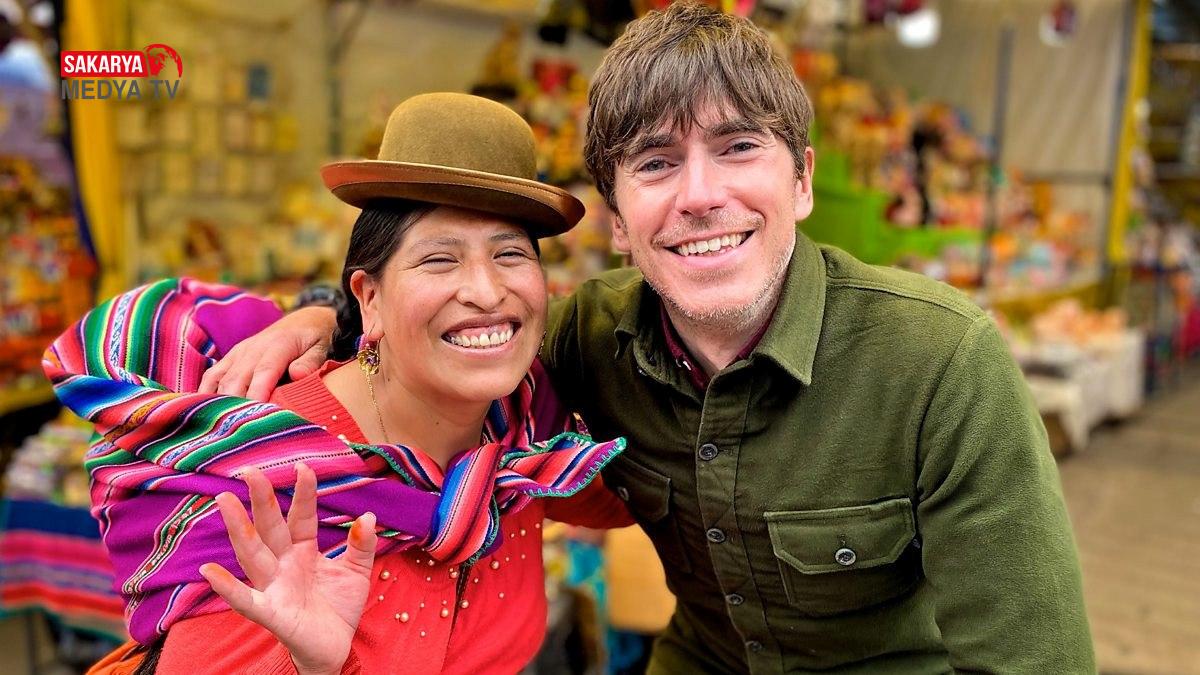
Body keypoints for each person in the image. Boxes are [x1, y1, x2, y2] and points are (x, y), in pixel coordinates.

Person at [131, 3, 1096, 673]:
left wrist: (342, 309)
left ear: (802, 180)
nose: (701, 194)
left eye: (738, 146)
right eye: (656, 162)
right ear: (619, 223)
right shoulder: (572, 345)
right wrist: (320, 315)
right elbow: (437, 332)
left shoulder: (938, 364)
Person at [44, 93, 631, 675]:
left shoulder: (526, 430)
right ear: (369, 299)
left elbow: (638, 495)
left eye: (510, 255)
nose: (486, 290)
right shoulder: (268, 471)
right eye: (439, 260)